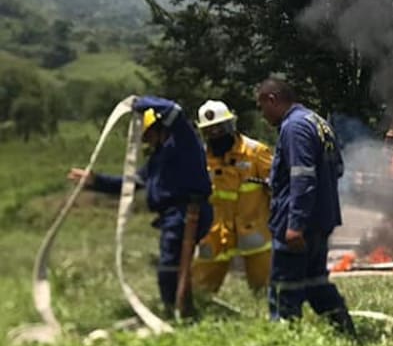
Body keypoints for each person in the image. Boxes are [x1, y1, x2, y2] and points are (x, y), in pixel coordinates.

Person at [69, 96, 213, 316]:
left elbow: (174, 109)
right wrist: (95, 181)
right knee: (174, 263)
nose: (147, 141)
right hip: (173, 215)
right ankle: (181, 306)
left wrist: (138, 103)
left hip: (186, 211)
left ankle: (175, 310)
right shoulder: (157, 158)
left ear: (159, 128)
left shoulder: (183, 142)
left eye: (148, 135)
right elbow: (130, 184)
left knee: (169, 264)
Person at [255, 77, 355, 334]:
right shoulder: (319, 123)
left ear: (272, 99)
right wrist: (278, 182)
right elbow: (337, 169)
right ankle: (345, 330)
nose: (263, 115)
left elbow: (302, 177)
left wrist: (295, 224)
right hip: (321, 220)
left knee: (284, 286)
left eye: (262, 107)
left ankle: (285, 340)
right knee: (315, 282)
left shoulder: (294, 127)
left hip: (298, 224)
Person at [192, 99, 274, 294]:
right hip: (215, 234)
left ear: (230, 125)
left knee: (265, 290)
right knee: (201, 290)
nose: (215, 134)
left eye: (219, 128)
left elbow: (277, 187)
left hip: (255, 233)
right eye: (209, 130)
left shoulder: (255, 152)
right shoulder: (200, 158)